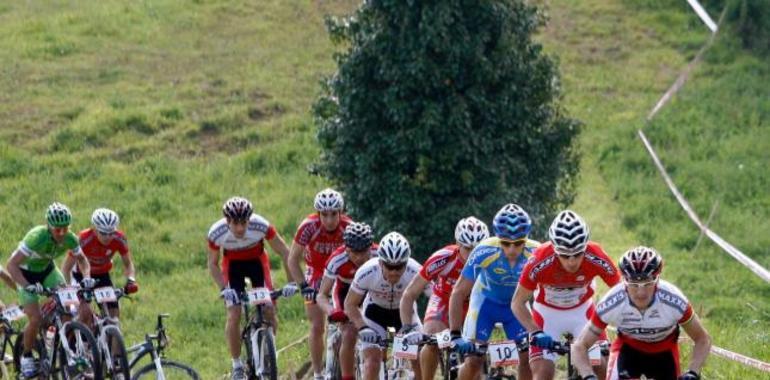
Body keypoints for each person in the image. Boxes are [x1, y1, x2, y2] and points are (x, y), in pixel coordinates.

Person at [571, 246, 711, 380]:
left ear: (657, 279)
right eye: (633, 284)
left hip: (664, 352)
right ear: (625, 281)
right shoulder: (612, 302)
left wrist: (693, 371)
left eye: (648, 283)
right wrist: (588, 375)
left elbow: (702, 339)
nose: (641, 292)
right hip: (628, 350)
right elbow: (579, 346)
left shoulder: (675, 301)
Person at [511, 210, 620, 380]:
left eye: (578, 254)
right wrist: (535, 332)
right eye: (564, 255)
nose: (572, 261)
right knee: (542, 374)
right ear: (554, 249)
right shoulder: (539, 260)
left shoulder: (596, 255)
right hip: (547, 315)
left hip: (583, 312)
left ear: (585, 247)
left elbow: (622, 291)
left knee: (601, 369)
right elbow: (517, 303)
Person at [207, 196, 293, 380]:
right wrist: (224, 288)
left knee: (269, 309)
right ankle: (237, 365)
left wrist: (291, 282)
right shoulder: (217, 232)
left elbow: (285, 252)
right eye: (235, 223)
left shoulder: (261, 226)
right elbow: (213, 265)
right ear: (227, 221)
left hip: (257, 264)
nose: (240, 228)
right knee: (234, 313)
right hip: (233, 267)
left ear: (249, 219)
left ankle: (268, 352)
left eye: (244, 223)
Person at [449, 204, 537, 380]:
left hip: (516, 308)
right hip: (484, 304)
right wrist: (455, 334)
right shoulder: (484, 250)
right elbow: (458, 293)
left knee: (527, 357)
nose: (512, 250)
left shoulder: (536, 252)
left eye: (519, 243)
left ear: (526, 238)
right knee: (474, 360)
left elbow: (545, 292)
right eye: (505, 243)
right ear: (498, 238)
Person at [5, 202, 94, 378]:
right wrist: (27, 285)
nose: (61, 234)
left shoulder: (70, 238)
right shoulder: (36, 237)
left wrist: (87, 277)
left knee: (68, 307)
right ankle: (27, 356)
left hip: (48, 271)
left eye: (65, 229)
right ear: (48, 227)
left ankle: (62, 346)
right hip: (25, 274)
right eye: (57, 230)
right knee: (35, 318)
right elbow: (11, 265)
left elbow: (83, 261)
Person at [399, 217, 489, 380]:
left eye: (478, 248)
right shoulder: (443, 258)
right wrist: (407, 327)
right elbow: (409, 294)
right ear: (457, 243)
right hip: (444, 301)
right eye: (467, 248)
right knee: (432, 339)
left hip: (474, 306)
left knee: (475, 359)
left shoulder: (492, 261)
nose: (472, 254)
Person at [286, 188, 352, 380]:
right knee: (317, 325)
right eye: (324, 215)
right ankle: (317, 373)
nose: (329, 220)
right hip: (316, 272)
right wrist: (303, 286)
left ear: (340, 212)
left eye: (334, 214)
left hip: (340, 274)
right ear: (318, 213)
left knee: (349, 319)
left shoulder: (349, 227)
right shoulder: (308, 227)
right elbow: (292, 260)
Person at [344, 232, 427, 380]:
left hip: (405, 317)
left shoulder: (416, 271)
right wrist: (362, 327)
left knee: (418, 359)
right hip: (375, 316)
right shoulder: (367, 272)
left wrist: (427, 330)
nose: (394, 272)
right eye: (389, 266)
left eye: (399, 266)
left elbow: (436, 298)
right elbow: (350, 304)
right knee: (373, 362)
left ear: (406, 263)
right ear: (381, 262)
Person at [316, 222, 378, 380]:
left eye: (363, 252)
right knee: (349, 333)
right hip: (344, 293)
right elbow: (321, 295)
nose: (358, 257)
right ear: (346, 248)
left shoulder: (380, 255)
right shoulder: (337, 259)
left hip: (369, 292)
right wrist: (332, 311)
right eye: (353, 252)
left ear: (370, 247)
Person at [62, 208, 138, 326]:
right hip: (80, 276)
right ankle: (84, 341)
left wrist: (131, 280)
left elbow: (128, 264)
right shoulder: (83, 239)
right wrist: (68, 287)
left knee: (114, 316)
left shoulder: (119, 239)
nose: (107, 237)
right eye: (103, 232)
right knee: (85, 313)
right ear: (95, 229)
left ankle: (109, 341)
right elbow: (66, 268)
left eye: (111, 232)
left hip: (102, 275)